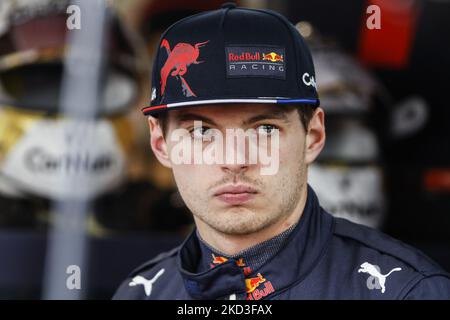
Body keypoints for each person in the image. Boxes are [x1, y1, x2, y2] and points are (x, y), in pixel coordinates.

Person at [113, 3, 450, 300]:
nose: (234, 160)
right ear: (161, 144)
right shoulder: (142, 293)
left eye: (265, 129)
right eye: (202, 132)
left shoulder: (408, 292)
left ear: (313, 136)